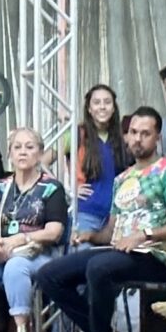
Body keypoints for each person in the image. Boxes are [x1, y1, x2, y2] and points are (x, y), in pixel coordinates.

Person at [33, 107, 166, 332]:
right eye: (133, 132)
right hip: (119, 251)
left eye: (145, 133)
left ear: (157, 137)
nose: (137, 139)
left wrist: (144, 235)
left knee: (99, 267)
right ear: (126, 135)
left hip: (153, 256)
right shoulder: (123, 179)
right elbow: (111, 230)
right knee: (48, 275)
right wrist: (91, 236)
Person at [0, 125, 69, 332]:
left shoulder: (51, 188)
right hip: (1, 252)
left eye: (29, 147)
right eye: (17, 147)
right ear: (10, 154)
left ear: (39, 153)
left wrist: (23, 238)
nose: (23, 152)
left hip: (39, 253)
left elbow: (55, 231)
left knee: (16, 267)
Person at [68, 84, 123, 243]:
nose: (102, 107)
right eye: (97, 102)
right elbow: (42, 160)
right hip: (86, 213)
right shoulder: (76, 134)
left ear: (114, 108)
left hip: (116, 216)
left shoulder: (123, 137)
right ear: (89, 109)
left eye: (107, 102)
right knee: (80, 258)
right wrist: (68, 189)